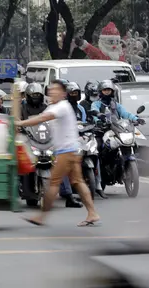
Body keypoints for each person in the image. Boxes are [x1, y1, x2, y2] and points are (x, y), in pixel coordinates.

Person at [16, 79, 100, 227]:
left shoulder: (62, 106)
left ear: (62, 93)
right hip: (71, 150)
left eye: (55, 90)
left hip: (66, 152)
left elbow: (42, 118)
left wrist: (20, 123)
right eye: (50, 90)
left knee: (54, 183)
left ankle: (42, 217)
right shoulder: (53, 107)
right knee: (78, 182)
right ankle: (92, 213)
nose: (52, 93)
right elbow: (41, 117)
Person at [20, 83, 82, 208]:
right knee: (21, 160)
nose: (35, 97)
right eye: (33, 95)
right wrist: (18, 126)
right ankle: (22, 189)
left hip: (48, 140)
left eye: (38, 95)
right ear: (27, 96)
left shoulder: (47, 107)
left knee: (57, 167)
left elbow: (47, 119)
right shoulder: (22, 108)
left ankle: (68, 196)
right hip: (30, 139)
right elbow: (20, 124)